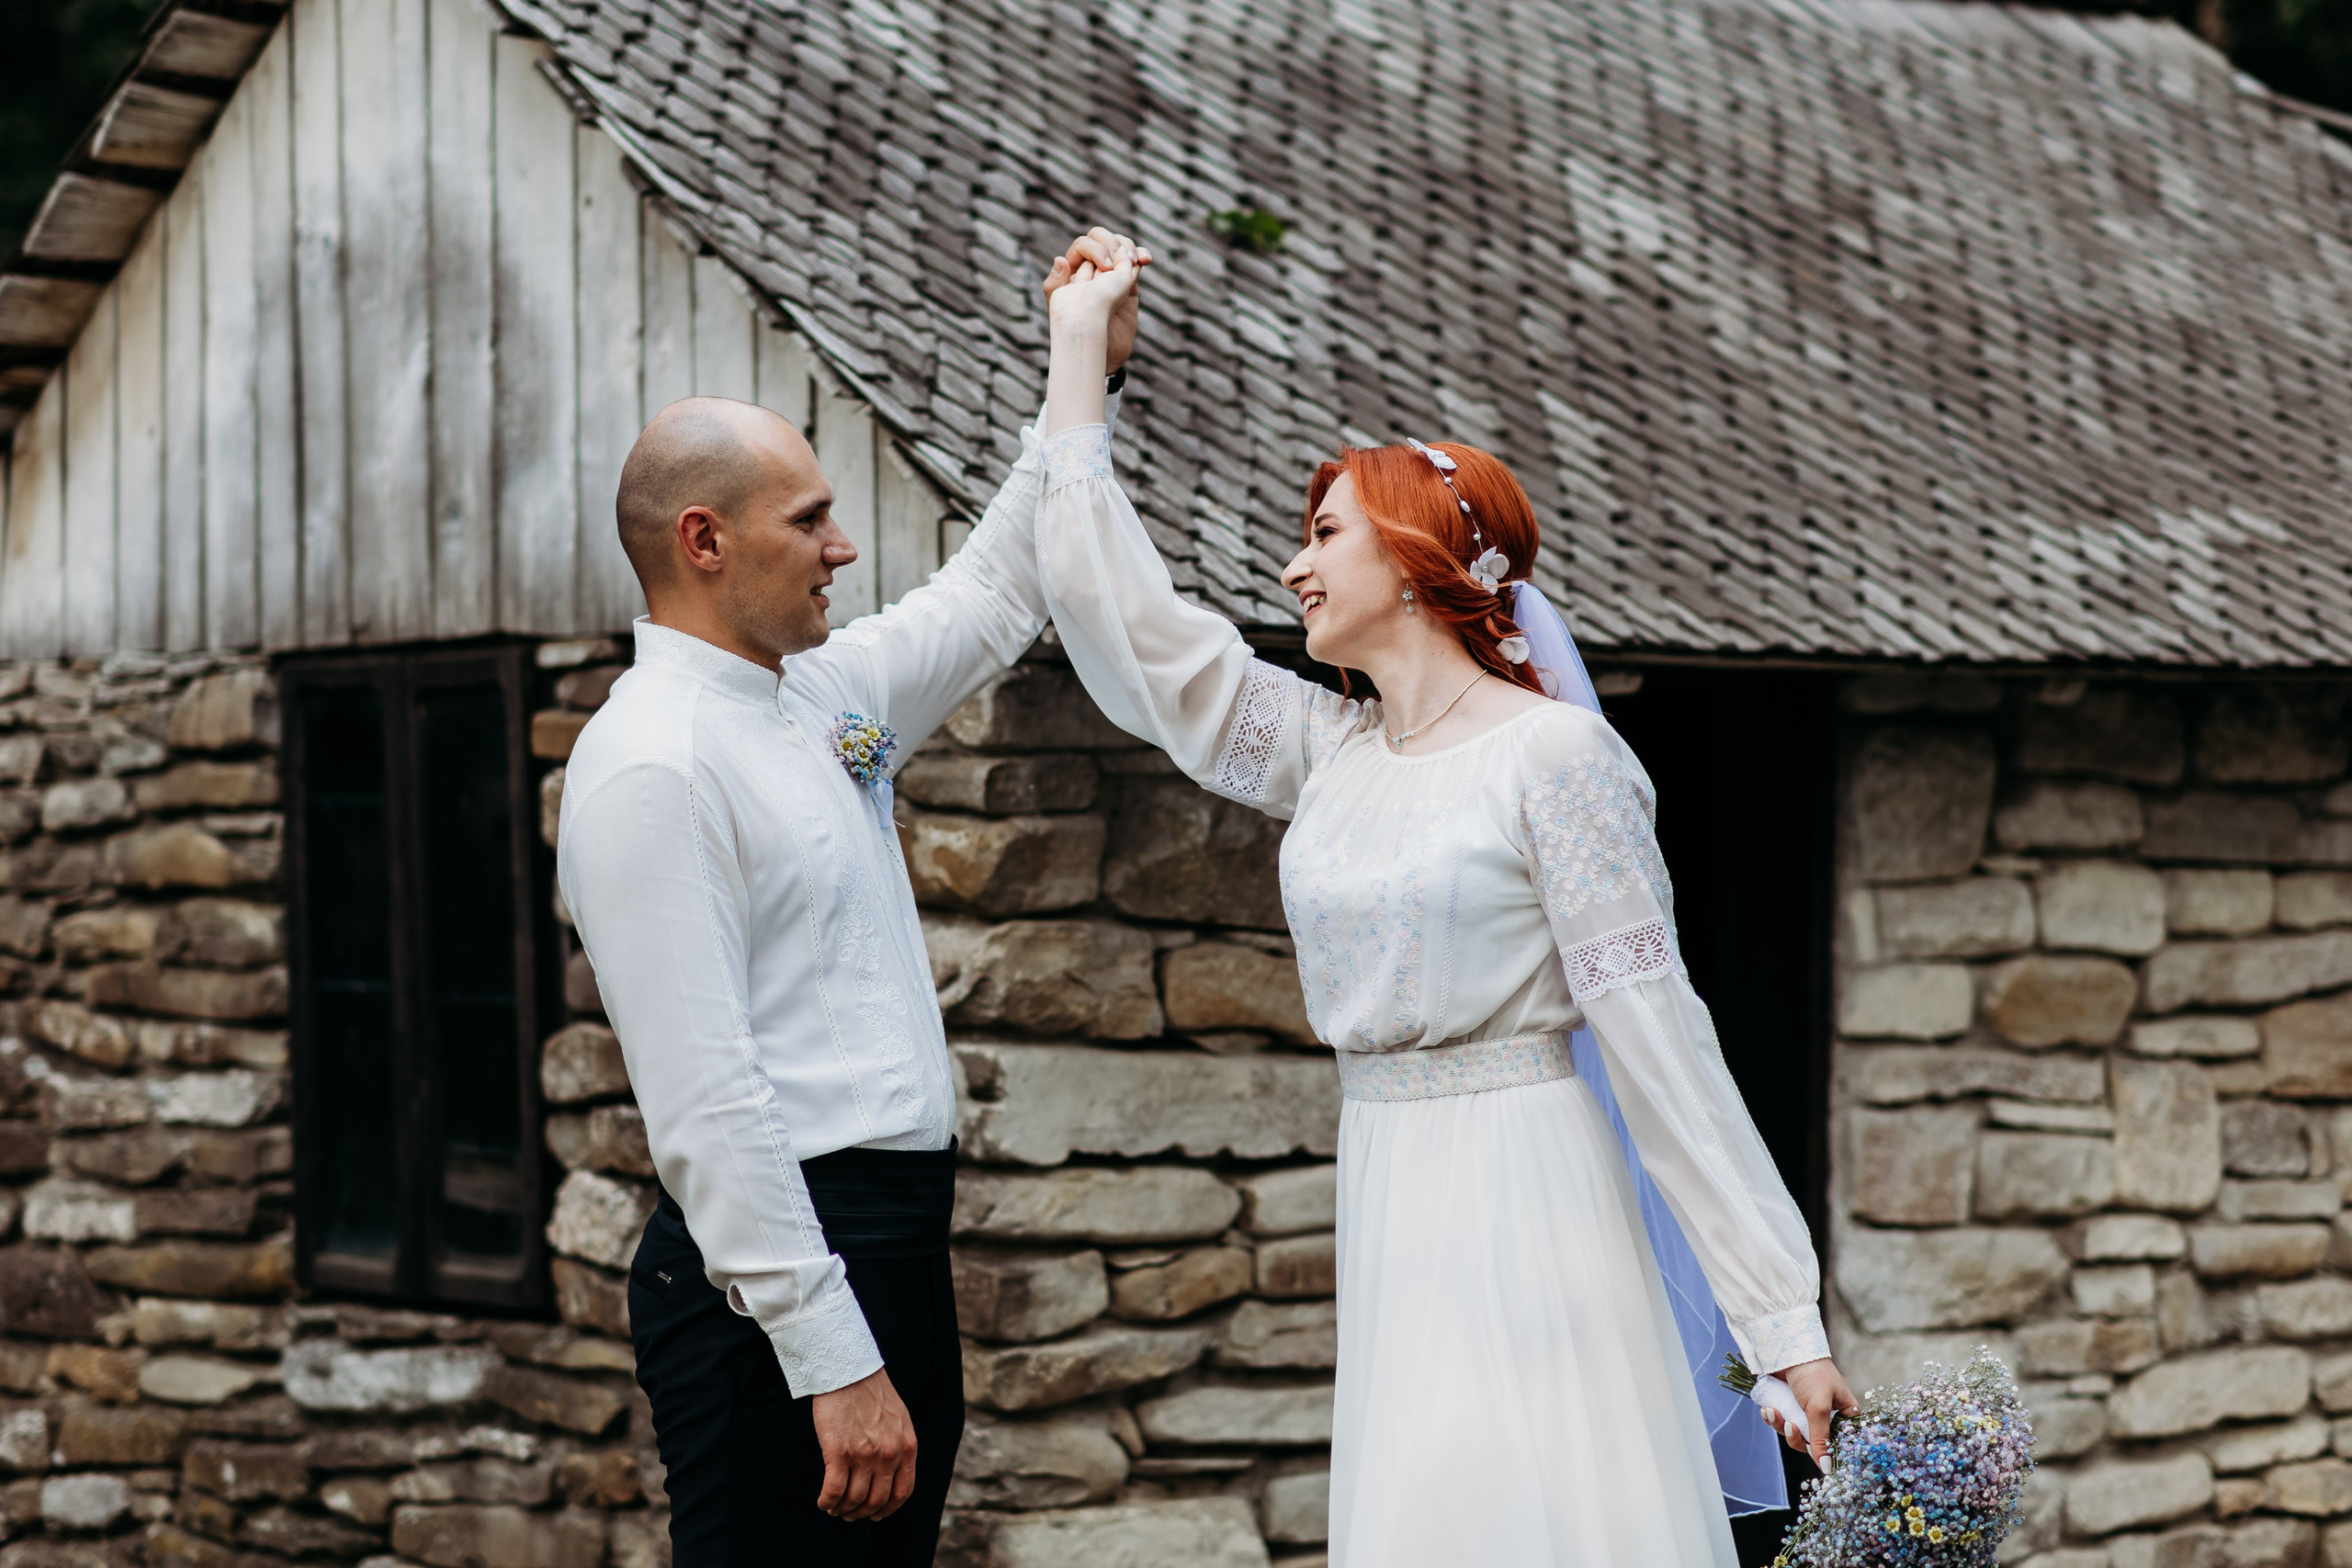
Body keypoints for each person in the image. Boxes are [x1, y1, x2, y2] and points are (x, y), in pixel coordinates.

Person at [1029, 243, 1859, 1564]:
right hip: (1390, 1184)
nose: (1293, 570)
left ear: (1418, 557)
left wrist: (1781, 1323)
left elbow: (1659, 1040)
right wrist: (1082, 358)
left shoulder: (1556, 759)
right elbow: (1124, 626)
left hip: (1533, 1191)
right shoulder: (1327, 751)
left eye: (1323, 535)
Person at [555, 231, 1148, 1566]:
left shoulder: (819, 692)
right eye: (809, 520)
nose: (844, 546)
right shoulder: (651, 764)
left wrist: (1085, 369)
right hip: (778, 1287)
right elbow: (708, 1102)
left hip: (891, 1249)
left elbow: (996, 590)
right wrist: (833, 1359)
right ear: (704, 540)